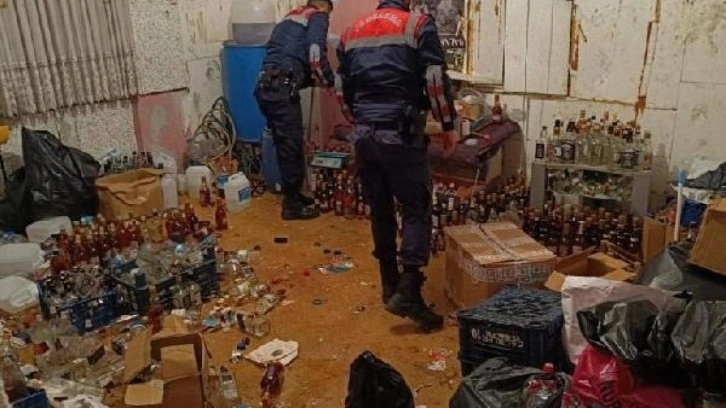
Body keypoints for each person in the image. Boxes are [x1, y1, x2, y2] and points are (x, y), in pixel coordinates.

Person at [336, 0, 460, 333]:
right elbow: (434, 79)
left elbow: (341, 87)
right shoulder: (417, 25)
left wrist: (359, 119)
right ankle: (408, 291)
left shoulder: (351, 32)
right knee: (416, 208)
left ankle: (389, 286)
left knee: (380, 209)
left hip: (365, 136)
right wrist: (448, 124)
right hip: (401, 136)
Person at [255, 0, 335, 220]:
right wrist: (329, 81)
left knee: (284, 145)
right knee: (291, 146)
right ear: (324, 6)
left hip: (265, 87)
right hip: (282, 90)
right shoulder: (318, 16)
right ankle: (291, 206)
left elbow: (286, 57)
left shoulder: (289, 18)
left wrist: (309, 79)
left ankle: (294, 195)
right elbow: (315, 54)